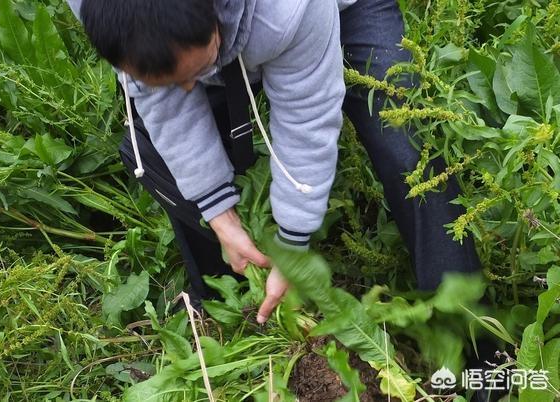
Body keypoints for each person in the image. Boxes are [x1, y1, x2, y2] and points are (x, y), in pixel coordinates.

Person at [66, 0, 480, 325]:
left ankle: (467, 332)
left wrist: (293, 241)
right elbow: (165, 103)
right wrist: (219, 216)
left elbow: (307, 117)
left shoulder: (289, 9)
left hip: (313, 11)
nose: (186, 89)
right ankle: (224, 300)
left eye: (194, 71)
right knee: (155, 150)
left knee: (407, 143)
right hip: (196, 37)